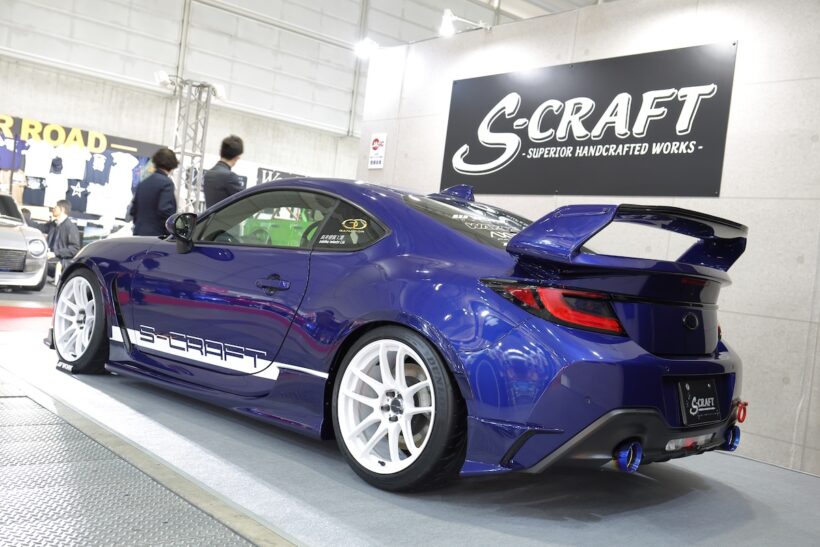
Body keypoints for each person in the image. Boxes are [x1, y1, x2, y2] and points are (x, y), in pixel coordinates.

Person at [131, 148, 179, 236]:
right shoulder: (167, 183)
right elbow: (165, 211)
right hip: (156, 236)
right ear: (172, 164)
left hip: (138, 233)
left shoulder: (143, 183)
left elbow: (133, 210)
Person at [44, 200, 81, 282]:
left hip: (61, 261)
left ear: (62, 209)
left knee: (38, 262)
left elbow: (74, 249)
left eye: (55, 207)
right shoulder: (53, 224)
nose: (53, 209)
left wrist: (55, 253)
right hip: (50, 259)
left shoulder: (71, 228)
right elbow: (38, 227)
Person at [204, 135, 244, 208]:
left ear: (220, 152)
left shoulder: (208, 174)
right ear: (237, 157)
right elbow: (244, 203)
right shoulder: (230, 177)